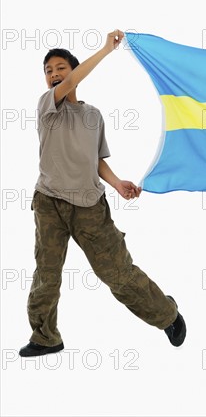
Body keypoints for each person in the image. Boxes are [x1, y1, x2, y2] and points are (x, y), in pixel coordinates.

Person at [19, 30, 186, 357]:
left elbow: (95, 161)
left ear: (74, 71)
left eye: (61, 68)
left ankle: (168, 315)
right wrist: (107, 50)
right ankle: (45, 337)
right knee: (46, 277)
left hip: (90, 208)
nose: (54, 74)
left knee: (118, 274)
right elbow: (67, 87)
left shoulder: (93, 116)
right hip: (49, 203)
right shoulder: (47, 106)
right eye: (48, 70)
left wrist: (118, 182)